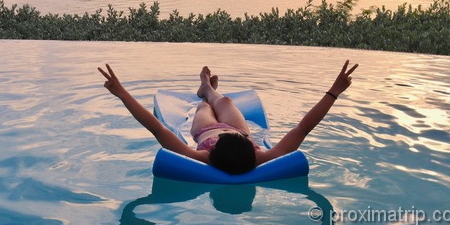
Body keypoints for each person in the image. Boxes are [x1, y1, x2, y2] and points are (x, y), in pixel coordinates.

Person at [98, 60, 358, 175]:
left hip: (206, 130)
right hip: (238, 128)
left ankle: (204, 92)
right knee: (226, 102)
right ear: (251, 145)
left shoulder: (202, 155)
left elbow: (156, 128)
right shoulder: (262, 156)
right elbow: (303, 129)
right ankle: (207, 89)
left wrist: (122, 94)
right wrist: (333, 92)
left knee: (206, 108)